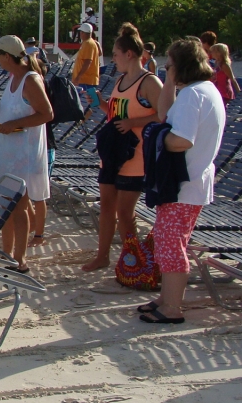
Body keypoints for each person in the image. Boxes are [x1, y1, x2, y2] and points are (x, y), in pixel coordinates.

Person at [139, 38, 225, 324]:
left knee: (169, 243)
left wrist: (156, 137)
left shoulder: (192, 96)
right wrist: (169, 82)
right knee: (169, 240)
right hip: (191, 184)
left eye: (170, 65)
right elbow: (165, 115)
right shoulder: (204, 91)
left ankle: (173, 307)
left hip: (184, 185)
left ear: (182, 66)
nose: (167, 69)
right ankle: (167, 297)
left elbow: (180, 140)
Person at [82, 24, 163, 271]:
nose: (112, 59)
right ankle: (103, 256)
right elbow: (115, 115)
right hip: (113, 153)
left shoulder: (150, 82)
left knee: (125, 211)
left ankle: (134, 259)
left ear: (129, 54)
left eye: (115, 54)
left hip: (135, 156)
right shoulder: (120, 80)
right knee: (106, 206)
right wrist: (100, 103)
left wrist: (134, 123)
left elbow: (164, 116)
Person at [0, 35, 53, 273]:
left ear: (7, 56)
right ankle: (7, 252)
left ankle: (20, 259)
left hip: (23, 153)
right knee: (5, 205)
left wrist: (15, 123)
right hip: (7, 151)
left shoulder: (31, 79)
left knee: (19, 207)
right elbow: (16, 108)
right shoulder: (14, 77)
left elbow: (46, 113)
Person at [72, 23, 102, 113]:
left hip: (86, 80)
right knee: (88, 105)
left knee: (87, 105)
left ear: (83, 33)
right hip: (87, 79)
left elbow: (87, 62)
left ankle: (89, 121)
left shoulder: (88, 43)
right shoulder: (89, 43)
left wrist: (78, 76)